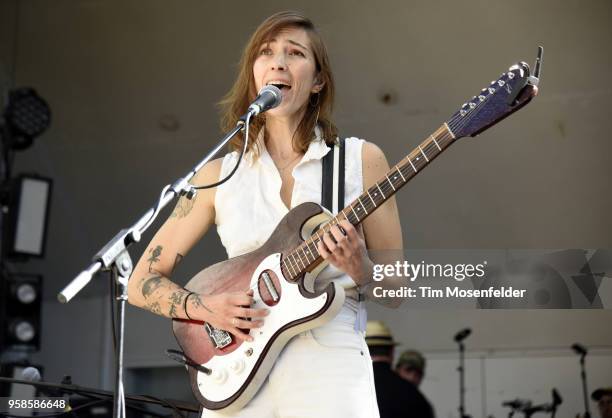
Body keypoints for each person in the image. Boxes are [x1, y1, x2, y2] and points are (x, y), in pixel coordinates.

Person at [127, 11, 403, 418]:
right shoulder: (217, 174)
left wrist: (361, 267)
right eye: (266, 53)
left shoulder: (361, 160)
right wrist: (206, 308)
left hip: (330, 366)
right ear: (254, 74)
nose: (278, 62)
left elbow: (397, 290)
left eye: (295, 53)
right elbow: (140, 283)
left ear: (318, 80)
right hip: (236, 371)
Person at [365, 321, 434, 418]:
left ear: (361, 350)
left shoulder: (347, 391)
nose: (413, 377)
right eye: (408, 370)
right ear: (392, 352)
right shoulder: (415, 398)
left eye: (418, 374)